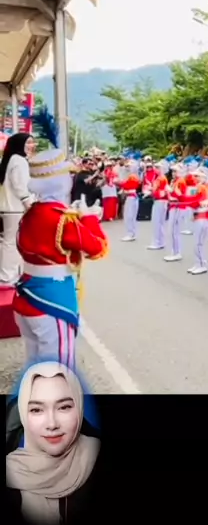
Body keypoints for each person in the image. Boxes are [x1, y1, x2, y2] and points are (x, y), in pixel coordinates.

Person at [13, 148, 108, 368]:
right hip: (52, 299)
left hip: (27, 294)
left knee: (35, 362)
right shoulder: (62, 219)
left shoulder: (31, 213)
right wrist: (90, 218)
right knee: (59, 367)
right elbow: (97, 248)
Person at [6, 361, 100, 524]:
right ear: (22, 414)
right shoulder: (10, 470)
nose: (52, 424)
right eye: (36, 410)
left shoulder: (96, 454)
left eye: (64, 407)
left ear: (79, 408)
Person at [0, 133, 36, 286]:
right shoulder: (19, 160)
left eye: (33, 142)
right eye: (28, 142)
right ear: (19, 144)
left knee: (7, 241)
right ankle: (7, 276)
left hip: (7, 208)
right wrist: (28, 202)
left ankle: (8, 274)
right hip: (15, 208)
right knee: (12, 243)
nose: (32, 146)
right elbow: (20, 185)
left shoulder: (9, 159)